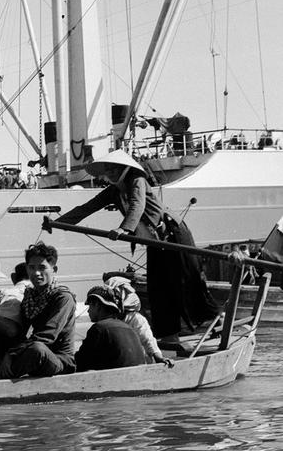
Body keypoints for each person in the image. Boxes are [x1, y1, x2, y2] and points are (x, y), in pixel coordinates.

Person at [55, 149, 221, 347]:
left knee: (188, 281)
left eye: (114, 169)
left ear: (124, 168)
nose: (111, 173)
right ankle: (169, 335)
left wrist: (123, 228)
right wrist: (58, 222)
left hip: (174, 236)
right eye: (108, 169)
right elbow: (87, 207)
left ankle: (216, 322)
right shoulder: (113, 190)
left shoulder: (137, 179)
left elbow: (137, 204)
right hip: (154, 242)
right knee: (158, 287)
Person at [0, 242, 75, 379]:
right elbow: (21, 331)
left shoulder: (63, 298)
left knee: (37, 349)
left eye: (42, 268)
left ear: (54, 269)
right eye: (32, 268)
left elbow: (47, 335)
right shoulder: (30, 296)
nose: (36, 273)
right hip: (34, 353)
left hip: (59, 361)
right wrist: (8, 351)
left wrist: (13, 354)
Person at [76, 286, 147, 372]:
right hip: (136, 378)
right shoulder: (128, 328)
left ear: (97, 306)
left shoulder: (99, 328)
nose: (88, 311)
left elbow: (81, 362)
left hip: (115, 382)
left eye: (90, 306)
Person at [105, 276, 171, 366]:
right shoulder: (107, 319)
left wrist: (158, 357)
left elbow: (148, 340)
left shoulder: (136, 319)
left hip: (138, 363)